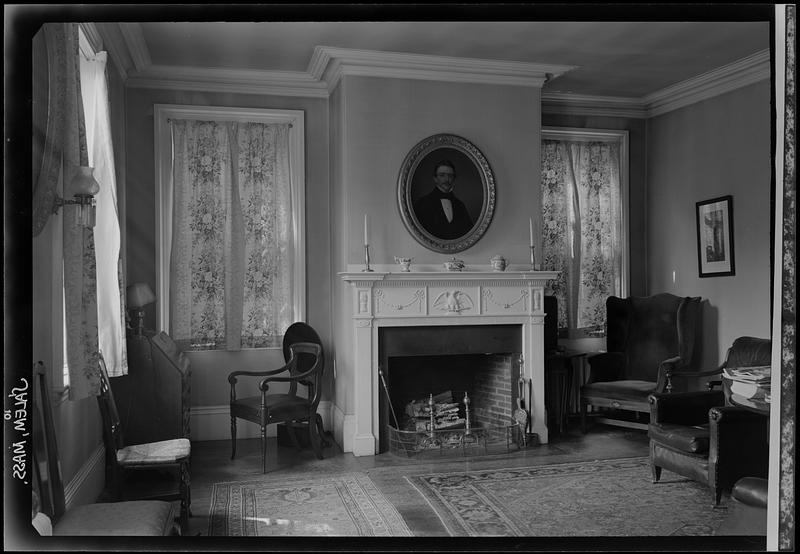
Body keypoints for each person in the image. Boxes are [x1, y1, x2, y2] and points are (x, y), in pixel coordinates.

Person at [413, 160, 474, 239]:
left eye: (450, 176)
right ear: (435, 178)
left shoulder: (460, 205)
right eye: (442, 175)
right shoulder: (423, 203)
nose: (447, 179)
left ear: (454, 179)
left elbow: (469, 234)